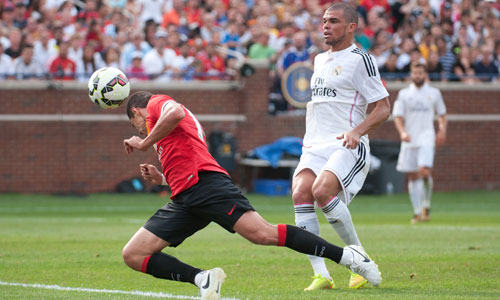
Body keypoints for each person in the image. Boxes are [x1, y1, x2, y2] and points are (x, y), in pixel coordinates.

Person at [121, 91, 382, 300]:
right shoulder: (162, 130)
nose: (141, 131)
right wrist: (161, 178)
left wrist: (143, 143)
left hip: (207, 186)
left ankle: (350, 257)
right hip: (185, 197)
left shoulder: (156, 103)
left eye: (136, 125)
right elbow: (183, 158)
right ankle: (204, 279)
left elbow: (175, 112)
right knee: (133, 254)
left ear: (136, 111)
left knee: (263, 234)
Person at [291, 3, 391, 292]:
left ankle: (359, 258)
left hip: (345, 142)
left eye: (333, 21)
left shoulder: (361, 59)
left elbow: (383, 108)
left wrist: (357, 132)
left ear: (351, 27)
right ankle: (322, 275)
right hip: (314, 144)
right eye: (324, 21)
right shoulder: (319, 59)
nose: (326, 26)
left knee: (322, 191)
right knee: (300, 192)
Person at [392, 63, 447, 224]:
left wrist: (442, 130)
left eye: (420, 72)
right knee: (412, 175)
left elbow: (442, 114)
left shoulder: (434, 93)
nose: (417, 75)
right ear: (411, 74)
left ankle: (426, 204)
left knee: (424, 172)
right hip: (410, 138)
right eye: (415, 72)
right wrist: (402, 132)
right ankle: (417, 212)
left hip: (427, 137)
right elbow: (397, 116)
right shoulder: (404, 94)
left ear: (425, 74)